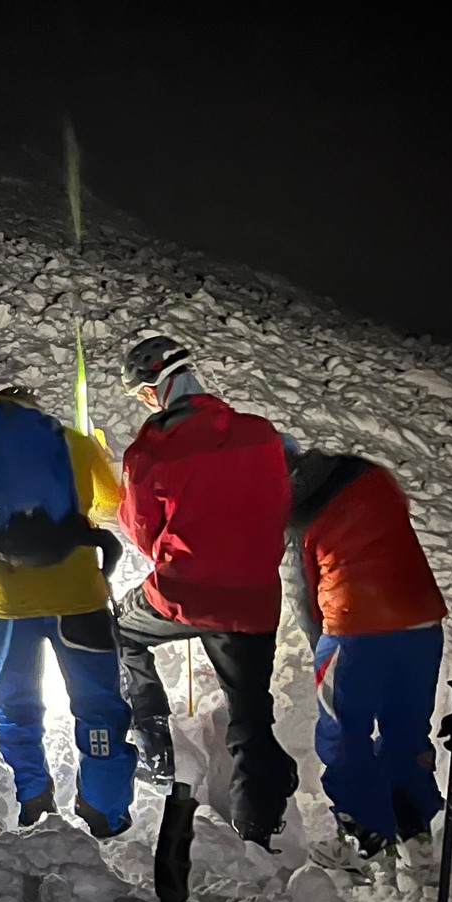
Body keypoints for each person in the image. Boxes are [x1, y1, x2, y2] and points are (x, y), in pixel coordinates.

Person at [115, 335, 299, 847]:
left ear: (154, 389)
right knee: (250, 708)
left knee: (121, 632)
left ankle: (154, 749)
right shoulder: (262, 434)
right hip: (254, 601)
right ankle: (259, 823)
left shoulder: (149, 451)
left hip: (183, 595)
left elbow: (142, 533)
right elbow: (280, 504)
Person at [0, 387, 137, 836]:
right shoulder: (72, 441)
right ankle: (104, 810)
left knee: (15, 707)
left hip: (9, 607)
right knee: (98, 706)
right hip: (80, 601)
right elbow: (114, 503)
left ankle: (31, 801)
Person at [286, 444, 448, 880]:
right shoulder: (368, 474)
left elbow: (303, 594)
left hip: (355, 627)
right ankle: (417, 830)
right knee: (407, 727)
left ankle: (365, 837)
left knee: (344, 732)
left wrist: (323, 644)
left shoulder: (296, 517)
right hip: (421, 619)